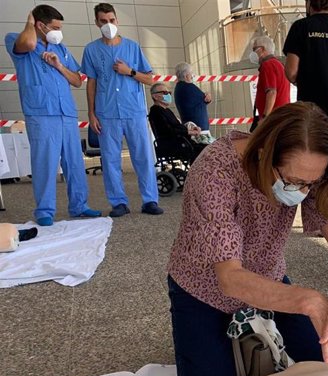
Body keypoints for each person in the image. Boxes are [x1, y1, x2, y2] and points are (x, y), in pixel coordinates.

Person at [167, 102, 328, 376]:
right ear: (263, 153)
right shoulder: (215, 171)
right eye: (294, 181)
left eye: (311, 183)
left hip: (268, 277)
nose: (303, 191)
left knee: (324, 362)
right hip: (203, 287)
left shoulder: (307, 168)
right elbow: (230, 278)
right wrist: (311, 301)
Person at [4, 5, 101, 226]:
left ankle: (79, 206)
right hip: (41, 113)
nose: (59, 31)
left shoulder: (61, 48)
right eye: (55, 27)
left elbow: (76, 80)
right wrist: (29, 22)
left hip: (66, 112)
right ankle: (45, 210)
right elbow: (28, 43)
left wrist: (58, 65)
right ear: (40, 25)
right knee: (45, 163)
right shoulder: (16, 39)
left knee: (75, 162)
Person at [81, 2, 164, 218]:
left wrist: (130, 71)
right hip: (107, 114)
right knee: (110, 160)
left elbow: (149, 78)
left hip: (133, 111)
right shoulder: (91, 50)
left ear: (117, 20)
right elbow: (91, 83)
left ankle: (150, 200)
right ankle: (118, 202)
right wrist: (91, 113)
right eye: (103, 21)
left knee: (143, 157)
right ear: (96, 22)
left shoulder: (132, 47)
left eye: (112, 20)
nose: (108, 24)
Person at [283, 0, 328, 228]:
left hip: (310, 110)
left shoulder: (301, 27)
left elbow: (291, 71)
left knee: (307, 159)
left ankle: (311, 216)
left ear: (310, 3)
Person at [148, 83, 206, 163]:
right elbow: (168, 131)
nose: (168, 95)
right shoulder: (156, 112)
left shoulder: (167, 110)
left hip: (180, 142)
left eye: (169, 93)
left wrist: (190, 129)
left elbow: (177, 126)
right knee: (204, 152)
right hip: (172, 145)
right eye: (165, 93)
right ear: (155, 96)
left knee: (208, 148)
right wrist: (189, 132)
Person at [250, 36, 290, 123]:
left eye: (254, 49)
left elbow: (271, 92)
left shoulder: (268, 65)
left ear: (262, 49)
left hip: (273, 119)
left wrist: (265, 117)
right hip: (281, 116)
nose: (252, 53)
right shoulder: (278, 64)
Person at [173, 62, 211, 131]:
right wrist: (207, 97)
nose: (192, 76)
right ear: (186, 76)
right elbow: (205, 98)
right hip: (197, 130)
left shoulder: (179, 88)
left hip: (192, 127)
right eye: (191, 73)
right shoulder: (189, 87)